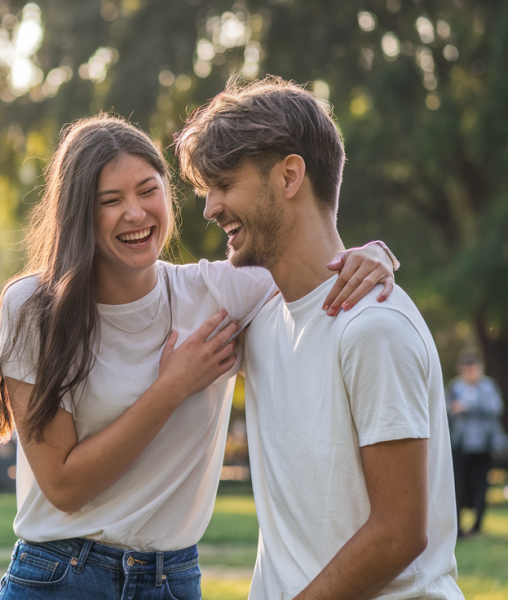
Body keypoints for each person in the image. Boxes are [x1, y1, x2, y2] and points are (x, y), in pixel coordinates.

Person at [0, 113, 397, 599]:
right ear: (78, 215)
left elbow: (314, 265)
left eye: (147, 189)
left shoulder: (218, 293)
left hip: (172, 581)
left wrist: (376, 255)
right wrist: (172, 386)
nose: (135, 213)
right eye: (110, 201)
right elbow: (64, 486)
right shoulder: (34, 307)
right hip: (61, 575)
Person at [175, 76, 462, 599]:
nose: (210, 208)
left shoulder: (373, 328)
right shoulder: (260, 320)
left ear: (289, 176)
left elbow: (400, 533)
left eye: (224, 184)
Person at [446, 349, 504, 537]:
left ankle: (477, 526)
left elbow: (496, 408)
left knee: (481, 485)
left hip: (483, 445)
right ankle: (458, 527)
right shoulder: (455, 387)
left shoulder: (488, 386)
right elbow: (445, 410)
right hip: (461, 444)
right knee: (459, 485)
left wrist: (470, 406)